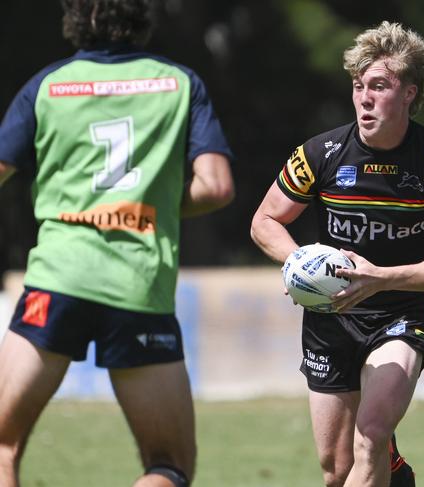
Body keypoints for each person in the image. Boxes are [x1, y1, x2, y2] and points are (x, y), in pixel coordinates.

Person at [0, 1, 235, 485]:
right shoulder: (179, 83)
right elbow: (216, 186)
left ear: (76, 18)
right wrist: (151, 200)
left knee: (3, 445)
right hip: (138, 287)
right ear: (141, 18)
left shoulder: (49, 85)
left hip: (58, 280)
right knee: (168, 464)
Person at [251, 21, 424, 487]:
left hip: (397, 318)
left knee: (371, 435)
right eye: (359, 86)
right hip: (329, 321)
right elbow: (264, 221)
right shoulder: (321, 152)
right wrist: (299, 264)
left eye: (379, 85)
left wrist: (381, 278)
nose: (364, 98)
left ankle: (381, 457)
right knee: (337, 471)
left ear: (410, 92)